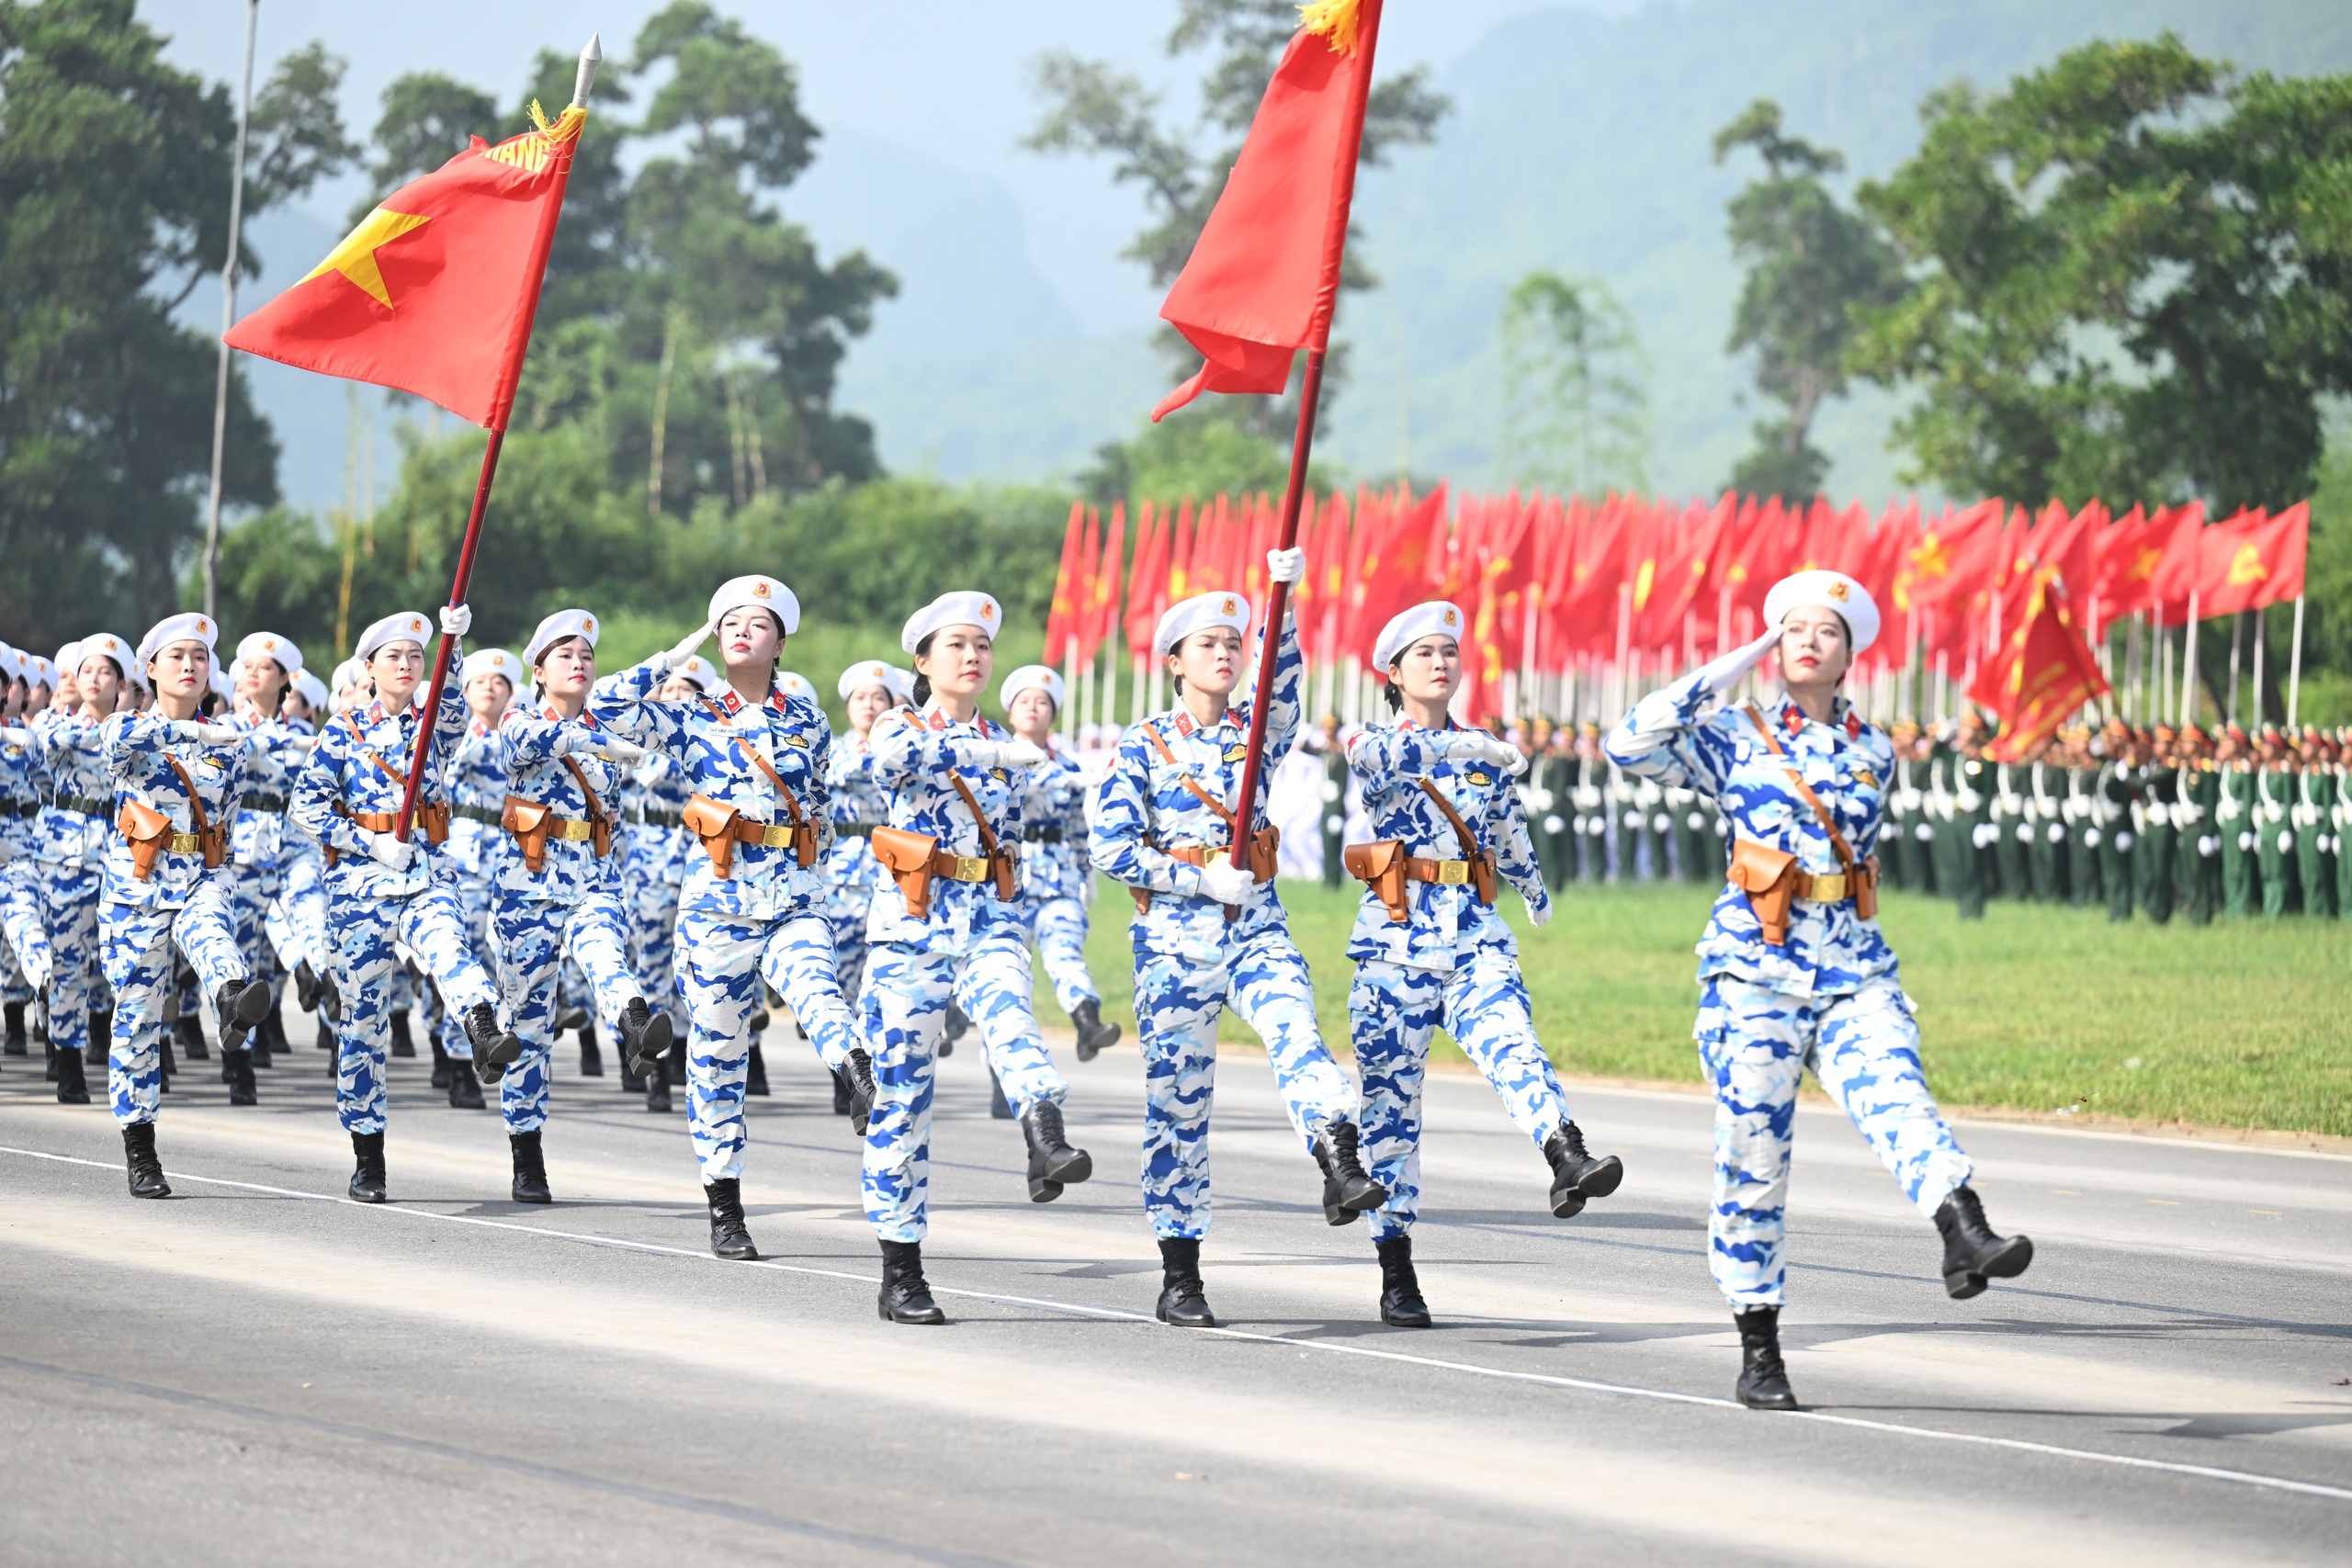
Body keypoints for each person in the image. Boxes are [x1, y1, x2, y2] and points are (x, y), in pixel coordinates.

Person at [1606, 570, 2031, 1411]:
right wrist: (1731, 665)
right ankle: (1759, 1344)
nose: (1807, 640)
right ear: (1772, 645)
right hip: (1754, 972)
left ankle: (1964, 1229)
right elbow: (1629, 742)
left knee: (1899, 1097)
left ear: (1850, 655)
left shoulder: (1876, 751)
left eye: (1825, 631)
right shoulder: (1732, 732)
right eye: (1791, 629)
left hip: (1852, 965)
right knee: (1754, 1163)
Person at [1091, 555, 1384, 1331]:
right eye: (1209, 643)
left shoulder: (1258, 733)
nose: (1225, 653)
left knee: (1299, 1039)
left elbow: (1283, 687)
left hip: (1255, 928)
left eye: (1234, 642)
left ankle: (1337, 1159)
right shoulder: (1144, 744)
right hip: (1173, 946)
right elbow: (1110, 847)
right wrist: (1192, 880)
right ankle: (1180, 1274)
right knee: (1178, 1109)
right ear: (1175, 661)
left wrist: (1279, 606)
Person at [1340, 601, 1623, 1326]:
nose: (1440, 663)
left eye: (1449, 652)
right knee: (1390, 1116)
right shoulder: (1375, 742)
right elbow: (1388, 762)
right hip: (1395, 943)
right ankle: (1396, 1269)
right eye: (1424, 654)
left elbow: (1506, 829)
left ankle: (1567, 1153)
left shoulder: (1486, 750)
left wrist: (1532, 887)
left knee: (1514, 1044)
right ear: (1394, 673)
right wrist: (1480, 753)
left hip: (1473, 933)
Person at [588, 579, 876, 1262]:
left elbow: (821, 805)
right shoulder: (691, 715)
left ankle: (857, 1072)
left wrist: (818, 869)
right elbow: (606, 706)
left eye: (758, 623)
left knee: (819, 991)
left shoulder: (806, 718)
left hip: (793, 897)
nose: (741, 631)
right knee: (716, 1058)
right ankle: (725, 1202)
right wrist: (673, 653)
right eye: (728, 623)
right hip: (717, 906)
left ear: (781, 642)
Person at [854, 592, 1091, 1322]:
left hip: (990, 917)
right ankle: (902, 1269)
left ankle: (1044, 1135)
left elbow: (1075, 792)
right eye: (956, 645)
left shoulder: (1009, 741)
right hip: (911, 927)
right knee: (901, 1101)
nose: (973, 656)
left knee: (1013, 1023)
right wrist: (992, 751)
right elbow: (891, 758)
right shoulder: (900, 723)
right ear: (923, 662)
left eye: (983, 645)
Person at [290, 608, 523, 1201]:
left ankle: (480, 1022)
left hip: (426, 876)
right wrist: (365, 839)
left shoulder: (434, 726)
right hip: (361, 888)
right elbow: (306, 807)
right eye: (394, 656)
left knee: (450, 949)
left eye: (416, 657)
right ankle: (368, 1155)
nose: (406, 664)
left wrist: (455, 639)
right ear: (369, 668)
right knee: (363, 1024)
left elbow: (451, 696)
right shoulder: (342, 731)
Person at [491, 608, 673, 1202]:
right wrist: (609, 742)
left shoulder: (605, 719)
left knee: (606, 957)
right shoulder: (520, 722)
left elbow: (639, 680)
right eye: (565, 655)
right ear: (538, 671)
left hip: (594, 877)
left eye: (587, 655)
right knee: (528, 1024)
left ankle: (635, 1023)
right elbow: (535, 741)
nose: (579, 663)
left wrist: (673, 657)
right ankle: (527, 1153)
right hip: (529, 883)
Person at [100, 614, 277, 1198]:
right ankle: (141, 1149)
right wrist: (190, 733)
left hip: (203, 871)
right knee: (137, 1020)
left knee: (211, 934)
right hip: (138, 881)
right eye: (177, 656)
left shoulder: (230, 742)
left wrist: (216, 736)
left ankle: (230, 997)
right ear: (150, 669)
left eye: (200, 658)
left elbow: (230, 808)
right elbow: (117, 745)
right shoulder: (129, 729)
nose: (189, 666)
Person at [15, 633, 136, 1104]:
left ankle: (115, 1048)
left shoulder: (134, 730)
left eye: (105, 672)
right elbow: (44, 747)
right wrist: (99, 728)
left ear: (121, 683)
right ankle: (68, 1064)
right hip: (63, 858)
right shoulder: (53, 721)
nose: (94, 679)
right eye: (87, 671)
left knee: (118, 962)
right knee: (67, 965)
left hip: (120, 855)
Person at [999, 662, 1120, 1061]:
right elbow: (1020, 789)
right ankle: (1004, 1067)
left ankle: (1088, 1025)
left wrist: (1087, 875)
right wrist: (1063, 779)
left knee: (1066, 953)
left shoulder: (1068, 766)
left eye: (1043, 702)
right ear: (1011, 711)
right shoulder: (995, 756)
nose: (1033, 708)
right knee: (1008, 976)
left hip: (1056, 879)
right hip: (1006, 882)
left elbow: (1076, 828)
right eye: (1025, 701)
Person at [435, 645, 526, 1109]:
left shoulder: (517, 736)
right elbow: (452, 762)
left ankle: (487, 1049)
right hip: (465, 857)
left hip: (509, 858)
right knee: (463, 958)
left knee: (503, 961)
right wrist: (473, 728)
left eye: (500, 682)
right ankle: (455, 1065)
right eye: (479, 682)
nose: (490, 688)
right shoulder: (455, 736)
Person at [823, 658, 909, 1118]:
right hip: (839, 872)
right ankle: (844, 1073)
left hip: (888, 870)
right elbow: (831, 779)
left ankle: (868, 1077)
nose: (870, 704)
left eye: (880, 698)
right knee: (840, 978)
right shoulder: (833, 749)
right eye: (861, 697)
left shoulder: (902, 749)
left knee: (874, 986)